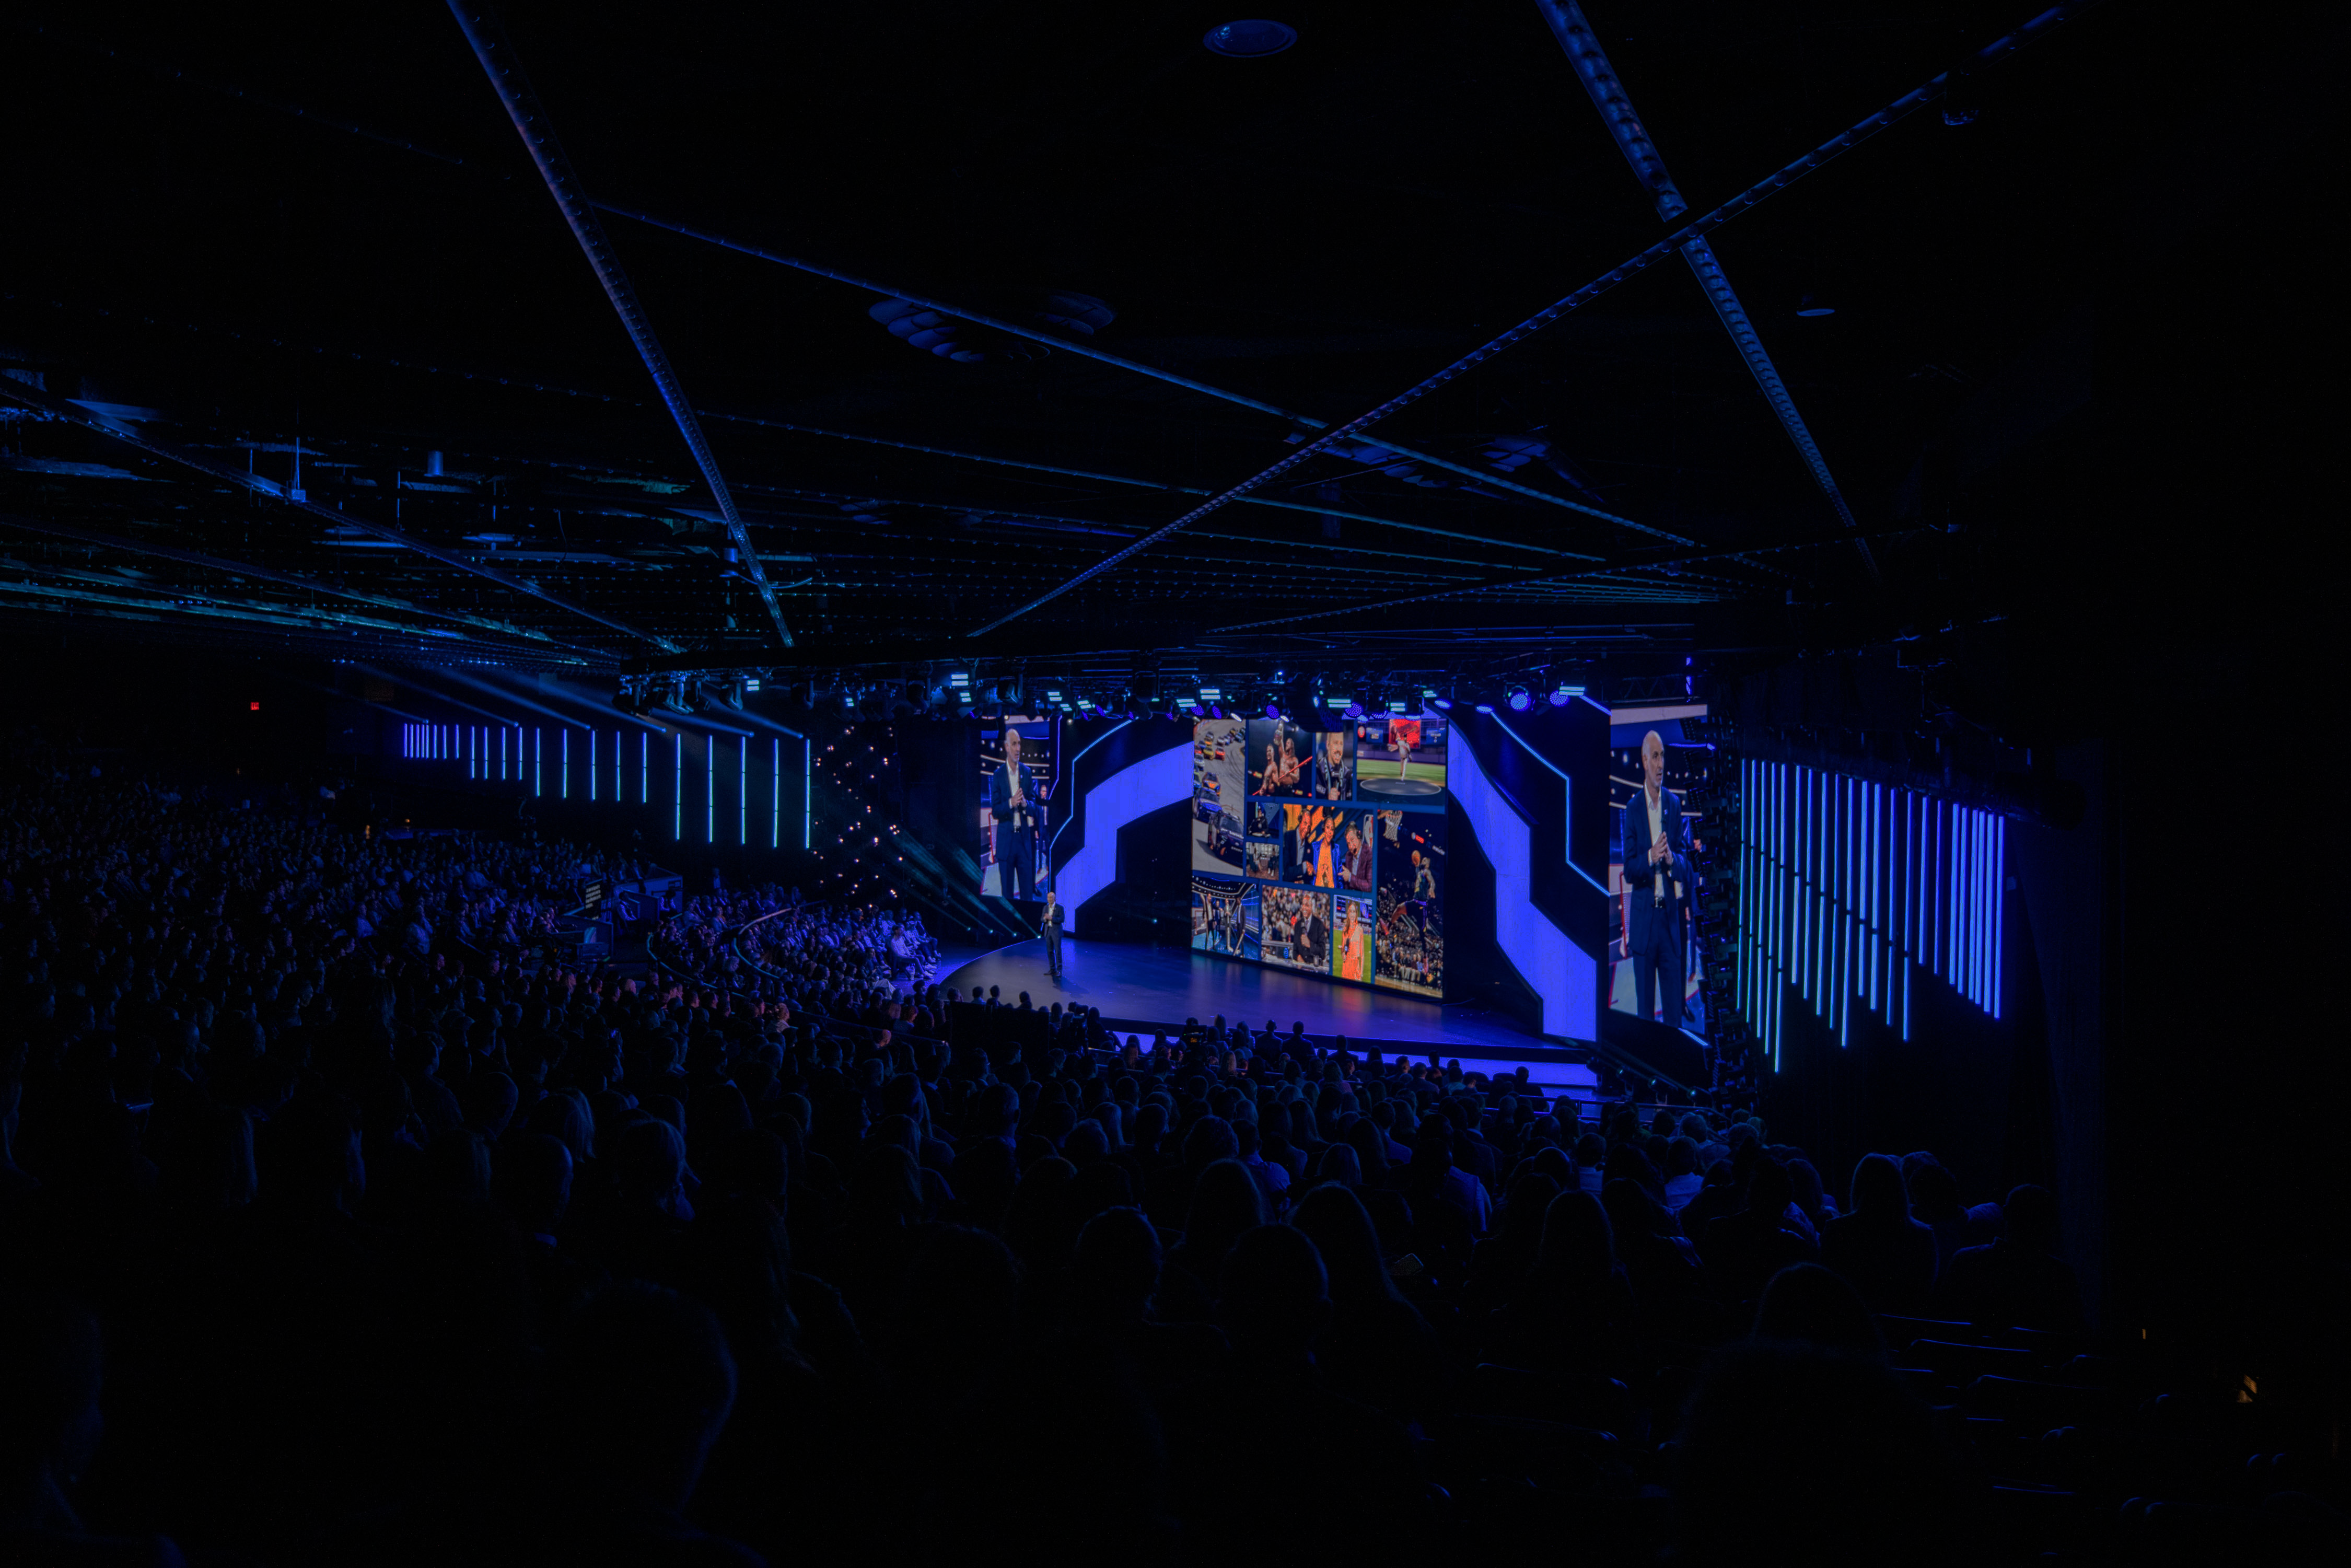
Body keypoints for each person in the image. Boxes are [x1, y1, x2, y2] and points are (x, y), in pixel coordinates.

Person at [1623, 729, 1691, 1030]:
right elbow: (1629, 869)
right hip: (1644, 927)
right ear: (1645, 761)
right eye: (1655, 757)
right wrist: (1651, 857)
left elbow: (1686, 865)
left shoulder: (1674, 806)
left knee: (1674, 1018)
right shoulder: (1633, 810)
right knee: (1645, 1020)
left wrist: (1671, 859)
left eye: (1663, 756)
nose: (1661, 764)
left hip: (1670, 925)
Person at [988, 727, 1042, 900]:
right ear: (1006, 747)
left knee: (1027, 897)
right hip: (1006, 843)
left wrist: (1026, 804)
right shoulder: (998, 776)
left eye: (1019, 744)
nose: (1018, 748)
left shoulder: (1027, 773)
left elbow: (1035, 807)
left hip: (1024, 842)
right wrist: (1011, 803)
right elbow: (996, 811)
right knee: (1008, 897)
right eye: (1014, 744)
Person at [1340, 821, 1374, 892]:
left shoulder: (1369, 854)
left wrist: (1350, 878)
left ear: (1359, 835)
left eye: (1352, 840)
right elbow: (1347, 885)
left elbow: (1370, 886)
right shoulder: (1348, 855)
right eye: (1348, 844)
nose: (1351, 847)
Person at [1041, 887, 1065, 977]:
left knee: (1058, 951)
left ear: (1054, 898)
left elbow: (1062, 919)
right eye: (1048, 898)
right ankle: (1052, 969)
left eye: (1051, 897)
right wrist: (1045, 919)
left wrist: (1052, 918)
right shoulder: (1045, 908)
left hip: (1056, 932)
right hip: (1048, 932)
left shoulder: (1060, 908)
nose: (1050, 899)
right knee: (1050, 951)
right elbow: (1042, 919)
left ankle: (1059, 971)